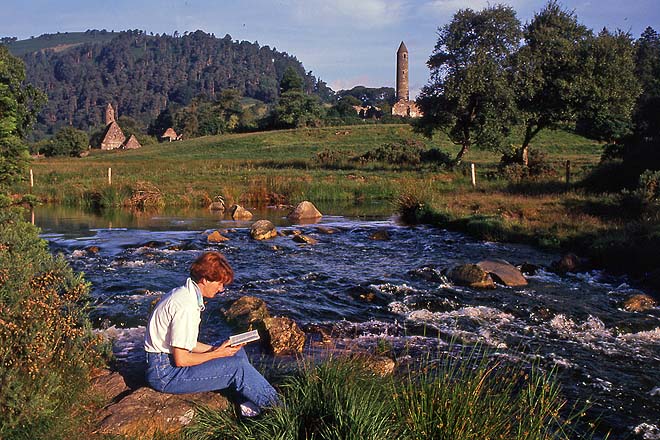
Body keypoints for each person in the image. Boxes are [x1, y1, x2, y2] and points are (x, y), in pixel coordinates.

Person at [144, 251, 278, 416]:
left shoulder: (184, 294)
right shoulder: (186, 306)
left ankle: (246, 405)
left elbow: (188, 344)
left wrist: (219, 350)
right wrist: (217, 354)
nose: (222, 289)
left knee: (236, 351)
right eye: (220, 283)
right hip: (165, 373)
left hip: (167, 362)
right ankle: (279, 408)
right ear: (205, 280)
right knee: (237, 368)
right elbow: (182, 359)